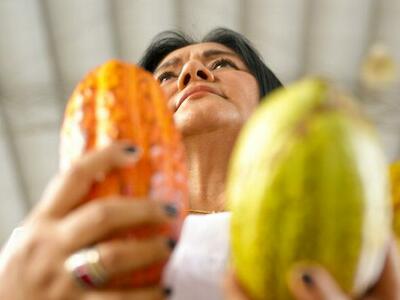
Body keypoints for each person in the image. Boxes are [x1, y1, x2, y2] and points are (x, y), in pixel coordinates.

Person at [0, 27, 398, 300]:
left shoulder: (360, 240)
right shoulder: (56, 245)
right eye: (166, 77)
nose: (193, 72)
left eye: (224, 64)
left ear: (271, 102)